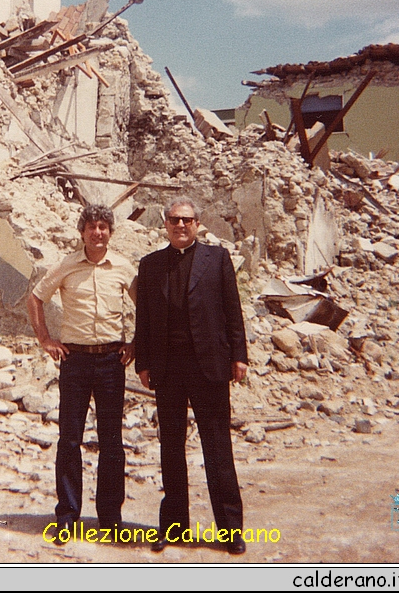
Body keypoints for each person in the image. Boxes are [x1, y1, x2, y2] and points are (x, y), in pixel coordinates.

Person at [134, 197, 248, 555]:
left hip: (209, 366)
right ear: (165, 224)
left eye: (186, 220)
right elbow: (145, 319)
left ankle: (230, 530)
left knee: (217, 447)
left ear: (198, 224)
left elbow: (233, 310)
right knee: (171, 447)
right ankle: (173, 526)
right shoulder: (150, 265)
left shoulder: (218, 260)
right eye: (173, 220)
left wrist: (239, 356)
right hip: (168, 369)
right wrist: (143, 362)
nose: (180, 225)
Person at [27, 204, 137, 537]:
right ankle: (67, 515)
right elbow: (35, 298)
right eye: (92, 227)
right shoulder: (66, 265)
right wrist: (46, 339)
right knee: (69, 439)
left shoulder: (123, 267)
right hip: (74, 362)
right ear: (82, 232)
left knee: (112, 442)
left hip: (111, 362)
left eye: (103, 227)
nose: (98, 232)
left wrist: (136, 343)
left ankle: (110, 517)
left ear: (111, 232)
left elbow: (146, 304)